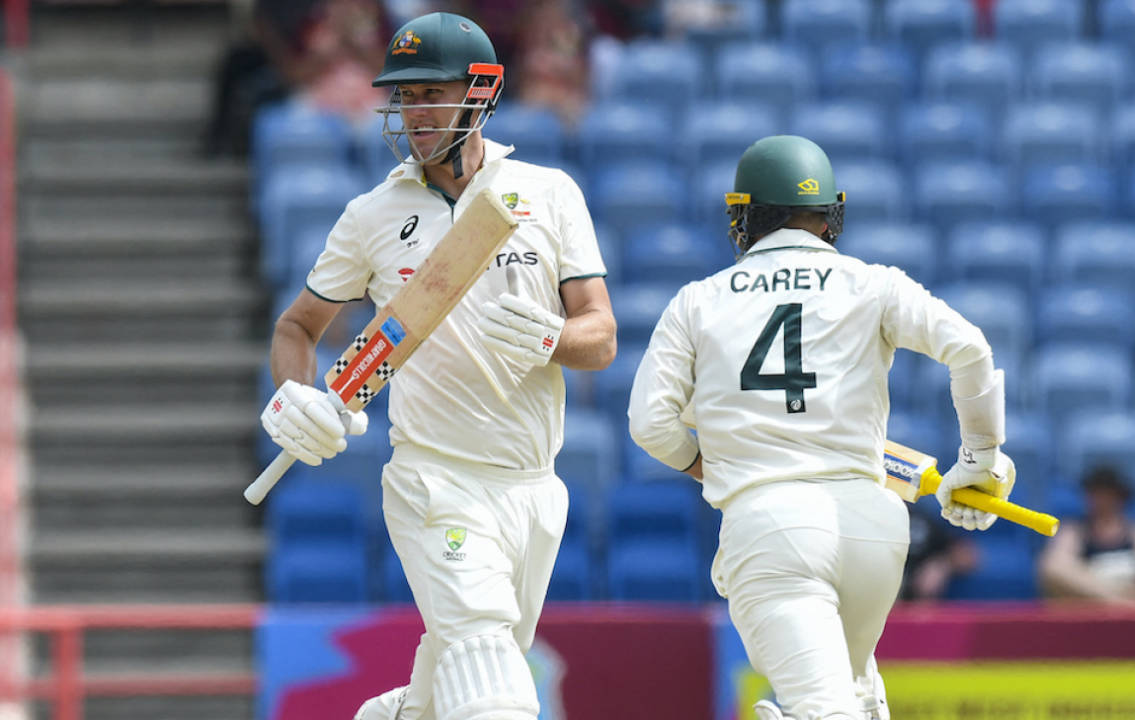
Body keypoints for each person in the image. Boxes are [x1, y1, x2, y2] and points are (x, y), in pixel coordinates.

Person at [258, 12, 616, 720]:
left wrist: (551, 337)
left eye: (432, 93)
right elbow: (297, 326)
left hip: (533, 487)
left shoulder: (547, 195)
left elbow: (600, 337)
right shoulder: (371, 215)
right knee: (489, 669)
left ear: (481, 93)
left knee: (463, 668)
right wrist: (298, 396)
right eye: (405, 95)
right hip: (434, 479)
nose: (414, 112)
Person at [628, 135, 1017, 720]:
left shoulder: (697, 301)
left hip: (770, 526)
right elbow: (970, 350)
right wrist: (980, 459)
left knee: (822, 709)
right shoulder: (874, 282)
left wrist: (714, 465)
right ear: (831, 214)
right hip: (875, 525)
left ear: (743, 215)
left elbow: (649, 424)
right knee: (857, 695)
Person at [1039, 466, 1135, 605]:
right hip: (1091, 612)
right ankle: (1122, 603)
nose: (1100, 499)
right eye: (1095, 493)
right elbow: (1052, 570)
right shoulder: (1073, 531)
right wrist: (1116, 595)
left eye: (1107, 493)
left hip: (1132, 617)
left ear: (1120, 497)